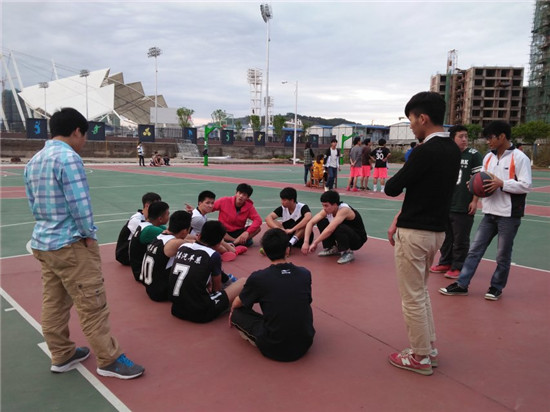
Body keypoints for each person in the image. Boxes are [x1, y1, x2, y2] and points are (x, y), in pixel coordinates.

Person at [24, 107, 144, 379]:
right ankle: (109, 359)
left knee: (54, 301)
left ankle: (62, 353)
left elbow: (32, 203)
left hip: (45, 242)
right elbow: (80, 205)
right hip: (71, 244)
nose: (84, 141)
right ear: (76, 131)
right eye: (84, 135)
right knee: (92, 303)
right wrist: (88, 234)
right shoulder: (69, 159)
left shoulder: (35, 160)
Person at [384, 92, 461, 376]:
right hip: (437, 232)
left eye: (412, 120)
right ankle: (428, 348)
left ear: (423, 118)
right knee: (421, 292)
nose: (412, 126)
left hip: (415, 232)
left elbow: (392, 187)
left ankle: (420, 356)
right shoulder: (453, 149)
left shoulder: (424, 151)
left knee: (412, 297)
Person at [439, 120, 532, 301]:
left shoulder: (520, 158)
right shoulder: (488, 157)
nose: (488, 141)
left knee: (502, 255)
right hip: (489, 213)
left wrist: (502, 183)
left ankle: (496, 287)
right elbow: (480, 178)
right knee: (475, 250)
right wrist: (473, 184)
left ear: (502, 137)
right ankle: (461, 284)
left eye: (490, 138)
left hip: (509, 214)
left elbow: (526, 185)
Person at [230, 228, 315, 362]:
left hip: (275, 347)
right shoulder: (305, 273)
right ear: (287, 250)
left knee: (238, 313)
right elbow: (307, 301)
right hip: (305, 342)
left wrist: (233, 311)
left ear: (265, 252)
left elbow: (237, 303)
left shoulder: (259, 278)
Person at [430, 125, 483, 279]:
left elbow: (478, 180)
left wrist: (475, 201)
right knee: (446, 237)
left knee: (460, 239)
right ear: (452, 138)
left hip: (463, 203)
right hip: (446, 203)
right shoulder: (447, 154)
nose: (464, 139)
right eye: (461, 136)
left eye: (466, 136)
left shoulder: (474, 155)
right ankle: (445, 262)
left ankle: (458, 266)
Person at [169, 221, 245, 323]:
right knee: (243, 282)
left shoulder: (183, 247)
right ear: (219, 243)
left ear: (199, 235)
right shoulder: (213, 255)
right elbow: (216, 289)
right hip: (201, 312)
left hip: (176, 309)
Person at [301, 190, 367, 264]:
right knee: (322, 221)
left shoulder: (344, 210)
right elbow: (310, 223)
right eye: (323, 205)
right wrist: (306, 242)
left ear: (335, 204)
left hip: (357, 239)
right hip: (345, 233)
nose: (324, 208)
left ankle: (347, 252)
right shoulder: (327, 210)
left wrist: (315, 242)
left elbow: (330, 229)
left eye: (326, 205)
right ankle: (331, 247)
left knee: (338, 227)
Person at [140, 211, 191, 302]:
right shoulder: (176, 243)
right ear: (184, 231)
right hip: (161, 292)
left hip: (150, 287)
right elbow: (196, 244)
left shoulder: (161, 235)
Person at [185, 190, 245, 260]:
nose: (210, 206)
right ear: (200, 203)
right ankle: (227, 253)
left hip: (196, 239)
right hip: (192, 242)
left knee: (219, 242)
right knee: (221, 247)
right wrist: (230, 247)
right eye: (207, 203)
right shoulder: (199, 218)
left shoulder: (199, 213)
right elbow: (211, 236)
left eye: (212, 203)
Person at [115, 192, 161, 265]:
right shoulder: (136, 219)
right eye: (157, 206)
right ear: (147, 206)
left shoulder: (150, 218)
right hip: (125, 255)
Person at [129, 201, 170, 281]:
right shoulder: (150, 230)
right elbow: (176, 237)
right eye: (167, 214)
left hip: (141, 268)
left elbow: (172, 232)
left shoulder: (146, 224)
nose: (169, 217)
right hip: (141, 273)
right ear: (160, 219)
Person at [265, 187, 313, 251]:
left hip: (301, 238)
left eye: (284, 200)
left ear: (292, 200)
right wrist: (278, 228)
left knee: (306, 224)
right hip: (288, 235)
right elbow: (268, 218)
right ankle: (277, 243)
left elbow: (308, 217)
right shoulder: (282, 208)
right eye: (281, 200)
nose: (282, 202)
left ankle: (289, 244)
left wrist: (292, 229)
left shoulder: (302, 207)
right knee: (272, 223)